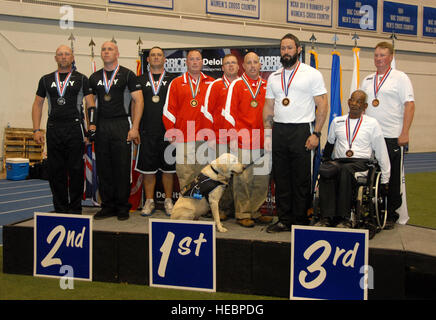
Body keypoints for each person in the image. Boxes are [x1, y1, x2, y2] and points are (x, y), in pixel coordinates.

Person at [263, 33, 328, 233]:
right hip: (280, 130)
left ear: (298, 50)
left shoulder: (311, 74)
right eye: (283, 48)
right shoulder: (274, 77)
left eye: (290, 48)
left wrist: (316, 133)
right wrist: (267, 134)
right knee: (281, 177)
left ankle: (300, 220)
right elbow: (268, 106)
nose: (286, 52)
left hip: (302, 130)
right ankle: (284, 219)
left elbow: (322, 104)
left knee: (300, 178)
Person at [32, 45, 95, 214]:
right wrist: (36, 130)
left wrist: (91, 128)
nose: (64, 57)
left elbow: (91, 105)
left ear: (72, 57)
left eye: (67, 54)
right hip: (53, 128)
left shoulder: (82, 79)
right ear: (55, 58)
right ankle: (59, 207)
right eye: (60, 54)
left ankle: (75, 208)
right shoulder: (45, 79)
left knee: (75, 170)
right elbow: (38, 104)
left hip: (75, 128)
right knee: (55, 171)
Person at [315, 90, 391, 228]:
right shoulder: (337, 121)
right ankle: (326, 217)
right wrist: (325, 161)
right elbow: (330, 144)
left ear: (365, 106)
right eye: (352, 100)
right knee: (327, 170)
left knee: (345, 170)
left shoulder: (372, 124)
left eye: (359, 101)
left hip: (360, 162)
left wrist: (385, 178)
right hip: (340, 160)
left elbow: (381, 151)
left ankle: (344, 217)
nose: (355, 104)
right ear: (348, 102)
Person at [360, 41, 415, 229]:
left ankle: (390, 214)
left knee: (391, 177)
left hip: (392, 136)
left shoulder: (400, 78)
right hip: (371, 137)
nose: (379, 59)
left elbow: (409, 105)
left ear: (391, 57)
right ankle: (374, 209)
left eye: (382, 55)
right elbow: (362, 108)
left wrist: (405, 132)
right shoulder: (367, 80)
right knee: (372, 175)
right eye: (376, 55)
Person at [88, 41, 144, 221]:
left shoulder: (128, 74)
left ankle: (122, 206)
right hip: (102, 125)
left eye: (110, 49)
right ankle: (107, 206)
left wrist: (135, 127)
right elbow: (90, 104)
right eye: (103, 49)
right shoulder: (95, 77)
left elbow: (139, 101)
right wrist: (91, 124)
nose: (106, 52)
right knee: (104, 168)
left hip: (121, 123)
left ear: (117, 53)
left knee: (121, 167)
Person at [221, 52, 272, 228]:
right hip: (242, 139)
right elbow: (228, 113)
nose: (252, 66)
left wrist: (270, 135)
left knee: (261, 179)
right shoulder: (236, 85)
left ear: (260, 65)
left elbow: (273, 112)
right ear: (243, 66)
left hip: (263, 140)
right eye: (248, 63)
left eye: (255, 62)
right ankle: (242, 213)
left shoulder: (268, 85)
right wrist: (232, 138)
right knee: (243, 179)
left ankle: (255, 211)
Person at [162, 49, 215, 190]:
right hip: (183, 137)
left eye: (198, 59)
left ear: (202, 62)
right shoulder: (177, 83)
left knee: (204, 175)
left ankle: (201, 208)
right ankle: (187, 209)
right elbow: (168, 111)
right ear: (186, 62)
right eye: (192, 59)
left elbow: (217, 111)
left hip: (205, 138)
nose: (195, 62)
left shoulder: (212, 83)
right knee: (185, 175)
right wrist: (171, 134)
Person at [136, 46, 177, 216]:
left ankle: (168, 201)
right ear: (147, 59)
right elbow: (134, 104)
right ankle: (149, 201)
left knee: (168, 170)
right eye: (152, 55)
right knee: (148, 170)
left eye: (159, 55)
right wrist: (135, 128)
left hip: (168, 132)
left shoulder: (174, 80)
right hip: (146, 131)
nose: (155, 57)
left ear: (164, 59)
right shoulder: (139, 79)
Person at [202, 53, 240, 220]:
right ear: (222, 67)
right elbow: (206, 112)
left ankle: (238, 210)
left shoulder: (243, 84)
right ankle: (222, 209)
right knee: (221, 176)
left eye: (233, 63)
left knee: (239, 176)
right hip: (219, 139)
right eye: (227, 63)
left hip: (241, 139)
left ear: (239, 67)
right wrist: (209, 136)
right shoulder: (215, 85)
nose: (230, 66)